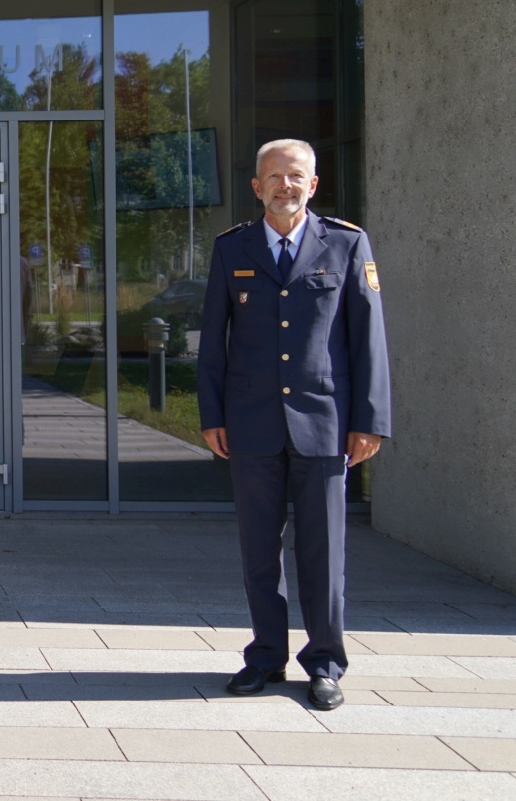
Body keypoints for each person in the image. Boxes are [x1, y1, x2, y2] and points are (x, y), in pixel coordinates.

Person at [199, 138, 390, 712]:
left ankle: (325, 663)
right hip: (251, 422)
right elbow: (214, 341)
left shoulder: (348, 244)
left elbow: (369, 340)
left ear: (313, 183)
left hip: (326, 424)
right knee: (259, 550)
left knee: (323, 552)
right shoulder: (231, 248)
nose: (286, 185)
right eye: (274, 177)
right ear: (256, 187)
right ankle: (264, 657)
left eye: (296, 176)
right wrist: (211, 415)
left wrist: (370, 420)